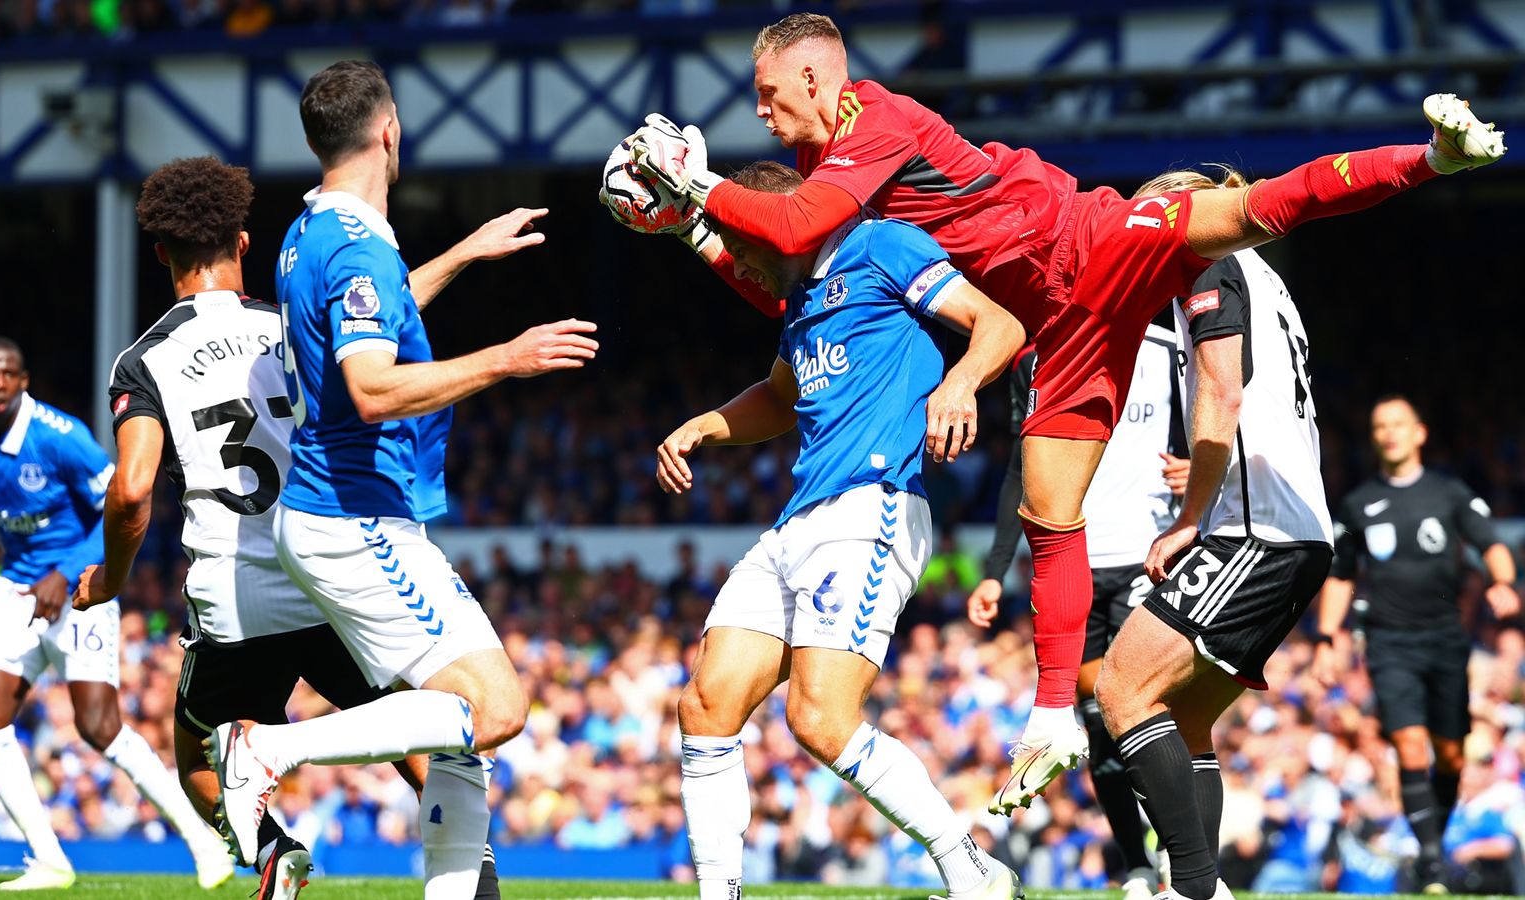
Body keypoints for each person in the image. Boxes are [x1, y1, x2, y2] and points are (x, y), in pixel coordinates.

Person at [613, 11, 1505, 808]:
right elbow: (800, 290)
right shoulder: (821, 168)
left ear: (815, 78)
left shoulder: (875, 123)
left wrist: (698, 185)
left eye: (768, 96)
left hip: (1092, 244)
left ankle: (1431, 157)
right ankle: (1053, 718)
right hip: (1059, 327)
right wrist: (692, 225)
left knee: (1259, 207)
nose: (761, 113)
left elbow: (797, 228)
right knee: (1049, 512)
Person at [206, 59, 596, 900]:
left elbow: (373, 317)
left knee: (458, 735)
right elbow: (372, 385)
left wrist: (465, 252)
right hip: (357, 518)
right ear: (390, 131)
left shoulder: (311, 230)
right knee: (496, 710)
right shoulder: (358, 249)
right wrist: (507, 358)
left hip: (335, 517)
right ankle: (269, 748)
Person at [69, 156, 506, 900]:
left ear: (161, 256)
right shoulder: (285, 326)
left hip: (236, 597)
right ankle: (473, 873)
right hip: (329, 567)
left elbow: (133, 489)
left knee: (201, 762)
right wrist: (462, 255)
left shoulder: (144, 362)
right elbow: (380, 320)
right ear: (244, 245)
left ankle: (274, 850)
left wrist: (109, 579)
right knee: (421, 734)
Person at [658, 161, 1025, 900]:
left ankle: (970, 869)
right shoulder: (800, 300)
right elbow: (782, 395)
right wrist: (709, 423)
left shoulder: (884, 247)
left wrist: (957, 384)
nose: (744, 263)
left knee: (820, 719)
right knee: (705, 704)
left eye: (743, 240)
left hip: (874, 502)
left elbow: (1001, 324)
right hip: (801, 518)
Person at [1092, 169, 1337, 900]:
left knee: (1122, 689)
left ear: (1183, 211)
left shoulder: (1212, 258)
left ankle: (1195, 891)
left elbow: (1221, 390)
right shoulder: (1264, 275)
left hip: (1256, 532)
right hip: (1295, 532)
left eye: (1150, 222)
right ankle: (1198, 886)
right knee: (1183, 717)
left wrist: (1190, 519)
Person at [0, 338, 233, 892]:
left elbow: (119, 512)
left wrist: (64, 573)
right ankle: (49, 859)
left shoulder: (62, 438)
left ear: (23, 382)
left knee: (98, 727)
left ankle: (201, 838)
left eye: (8, 373)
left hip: (83, 587)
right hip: (18, 586)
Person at [971, 323, 1186, 870]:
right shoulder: (1030, 362)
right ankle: (1137, 866)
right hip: (1074, 567)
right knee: (1097, 722)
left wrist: (1204, 472)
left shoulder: (1168, 347)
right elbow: (1023, 468)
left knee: (1145, 709)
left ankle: (1178, 853)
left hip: (1150, 556)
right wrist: (996, 570)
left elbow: (1212, 428)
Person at [1312, 395, 1520, 892]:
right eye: (1380, 425)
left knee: (1450, 754)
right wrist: (1326, 637)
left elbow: (1491, 543)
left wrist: (1503, 582)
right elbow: (1340, 576)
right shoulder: (1359, 503)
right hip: (1388, 642)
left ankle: (1433, 837)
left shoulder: (1448, 494)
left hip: (1446, 640)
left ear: (1419, 433)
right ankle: (1430, 859)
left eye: (1398, 424)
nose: (1389, 433)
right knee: (1407, 743)